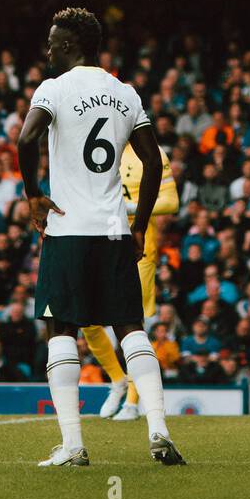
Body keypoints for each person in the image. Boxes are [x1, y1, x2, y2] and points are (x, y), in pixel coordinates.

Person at [17, 6, 185, 467]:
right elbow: (153, 161)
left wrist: (33, 195)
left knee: (61, 330)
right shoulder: (124, 92)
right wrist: (137, 225)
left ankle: (73, 446)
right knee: (131, 327)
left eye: (53, 42)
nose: (48, 49)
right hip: (113, 231)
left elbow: (26, 140)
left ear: (70, 45)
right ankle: (159, 431)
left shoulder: (53, 90)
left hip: (69, 229)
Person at [83, 137, 180, 422]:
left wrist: (127, 207)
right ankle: (117, 380)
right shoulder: (95, 147)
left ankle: (133, 402)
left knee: (132, 324)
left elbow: (171, 201)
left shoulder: (149, 151)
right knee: (86, 320)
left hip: (138, 249)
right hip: (99, 244)